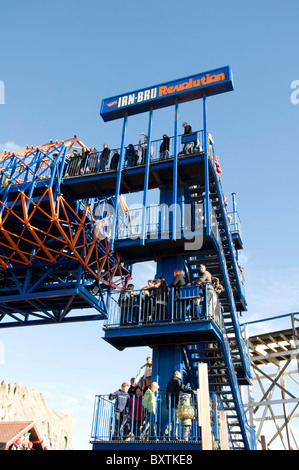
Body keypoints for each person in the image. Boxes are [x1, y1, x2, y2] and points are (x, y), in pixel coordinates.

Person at [166, 370, 196, 440]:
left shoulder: (169, 382)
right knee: (174, 420)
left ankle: (171, 434)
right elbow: (182, 387)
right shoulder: (176, 380)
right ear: (177, 375)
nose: (181, 378)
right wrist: (192, 391)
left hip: (170, 403)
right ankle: (173, 435)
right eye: (180, 375)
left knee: (172, 420)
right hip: (174, 403)